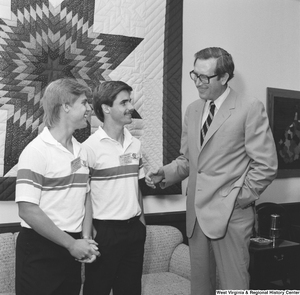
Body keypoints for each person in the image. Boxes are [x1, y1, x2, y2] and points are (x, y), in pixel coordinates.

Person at [145, 47, 278, 293]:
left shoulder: (249, 107)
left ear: (225, 77)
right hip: (196, 216)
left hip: (231, 216)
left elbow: (266, 164)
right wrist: (166, 173)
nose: (197, 82)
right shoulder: (193, 109)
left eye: (204, 77)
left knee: (233, 286)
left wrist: (238, 198)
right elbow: (189, 159)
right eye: (194, 75)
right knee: (200, 286)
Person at [15, 78, 100, 295]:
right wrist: (71, 244)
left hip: (71, 247)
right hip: (40, 249)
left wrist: (85, 239)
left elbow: (85, 196)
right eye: (84, 103)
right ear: (66, 106)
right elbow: (27, 210)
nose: (89, 109)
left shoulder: (82, 151)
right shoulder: (36, 151)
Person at [82, 81, 146, 295]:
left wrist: (142, 223)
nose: (131, 107)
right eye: (124, 102)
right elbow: (83, 195)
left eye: (130, 101)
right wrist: (88, 234)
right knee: (96, 290)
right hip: (105, 233)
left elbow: (137, 186)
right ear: (106, 108)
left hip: (134, 231)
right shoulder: (88, 148)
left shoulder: (135, 144)